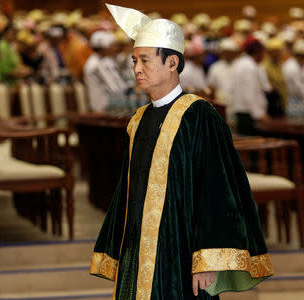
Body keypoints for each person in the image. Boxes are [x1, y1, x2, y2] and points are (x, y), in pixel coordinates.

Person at [90, 4, 274, 300]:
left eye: (146, 60)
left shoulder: (200, 116)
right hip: (138, 252)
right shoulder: (137, 120)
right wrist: (116, 248)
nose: (137, 69)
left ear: (172, 62)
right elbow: (127, 190)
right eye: (134, 60)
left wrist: (208, 258)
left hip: (181, 251)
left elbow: (217, 189)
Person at [230, 37, 270, 135]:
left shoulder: (240, 63)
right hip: (248, 114)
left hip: (244, 112)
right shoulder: (248, 66)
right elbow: (249, 93)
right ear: (258, 52)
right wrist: (259, 114)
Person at [83, 30, 128, 112]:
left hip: (114, 104)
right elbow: (113, 88)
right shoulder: (93, 65)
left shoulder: (106, 60)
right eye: (112, 46)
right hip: (102, 107)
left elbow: (120, 85)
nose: (115, 48)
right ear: (104, 47)